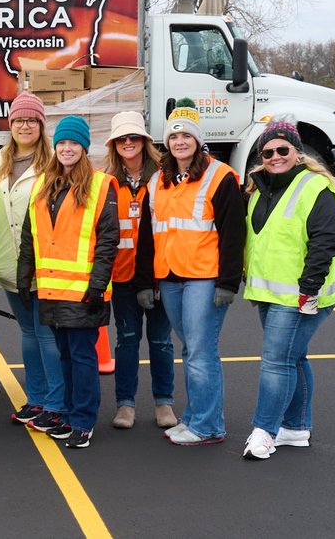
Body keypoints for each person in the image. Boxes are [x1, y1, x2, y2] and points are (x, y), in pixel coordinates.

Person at [136, 99, 244, 446]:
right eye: (173, 136)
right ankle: (196, 417)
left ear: (198, 139)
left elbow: (233, 233)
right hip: (169, 278)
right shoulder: (160, 181)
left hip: (204, 278)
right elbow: (148, 236)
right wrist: (145, 280)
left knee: (200, 350)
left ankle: (209, 426)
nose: (180, 141)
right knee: (191, 349)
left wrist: (228, 281)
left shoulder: (220, 175)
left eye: (186, 135)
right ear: (166, 142)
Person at [241, 119, 335, 460]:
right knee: (293, 357)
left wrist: (309, 290)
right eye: (267, 152)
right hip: (270, 294)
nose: (274, 156)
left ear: (297, 153)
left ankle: (264, 431)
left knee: (275, 361)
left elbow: (324, 241)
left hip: (302, 295)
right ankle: (296, 428)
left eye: (282, 149)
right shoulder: (257, 189)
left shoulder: (315, 187)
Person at [17, 116, 120, 449]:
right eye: (61, 143)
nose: (66, 148)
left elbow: (108, 240)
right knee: (63, 355)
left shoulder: (100, 184)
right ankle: (69, 414)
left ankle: (83, 420)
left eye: (73, 143)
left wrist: (97, 284)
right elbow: (30, 234)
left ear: (84, 147)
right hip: (50, 288)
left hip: (83, 290)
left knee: (82, 357)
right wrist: (24, 276)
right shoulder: (43, 183)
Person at [0, 92, 63, 432]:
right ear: (10, 124)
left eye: (32, 120)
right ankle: (36, 399)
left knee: (46, 336)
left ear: (41, 125)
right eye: (19, 120)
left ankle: (56, 403)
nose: (25, 125)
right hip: (9, 265)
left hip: (43, 266)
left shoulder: (53, 163)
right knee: (28, 333)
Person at [103, 111, 177, 430]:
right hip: (122, 278)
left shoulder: (164, 177)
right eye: (122, 139)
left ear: (145, 141)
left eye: (134, 137)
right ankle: (126, 405)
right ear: (114, 145)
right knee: (127, 341)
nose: (128, 143)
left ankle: (164, 403)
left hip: (159, 274)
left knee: (161, 341)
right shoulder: (105, 182)